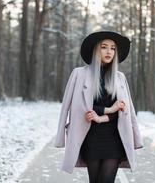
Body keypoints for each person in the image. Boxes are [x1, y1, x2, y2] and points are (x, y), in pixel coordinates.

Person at [54, 31, 143, 183]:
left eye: (113, 48)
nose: (109, 52)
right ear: (96, 49)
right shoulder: (79, 74)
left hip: (115, 137)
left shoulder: (119, 78)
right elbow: (73, 107)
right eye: (104, 47)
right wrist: (107, 110)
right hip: (90, 136)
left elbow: (125, 110)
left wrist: (103, 116)